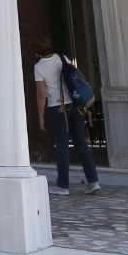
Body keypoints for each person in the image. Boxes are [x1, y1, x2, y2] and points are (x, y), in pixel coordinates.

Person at [33, 36, 101, 195]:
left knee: (62, 146)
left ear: (36, 51)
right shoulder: (63, 58)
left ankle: (62, 185)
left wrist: (41, 117)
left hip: (57, 108)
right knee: (81, 143)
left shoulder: (39, 67)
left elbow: (41, 94)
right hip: (75, 106)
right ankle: (93, 181)